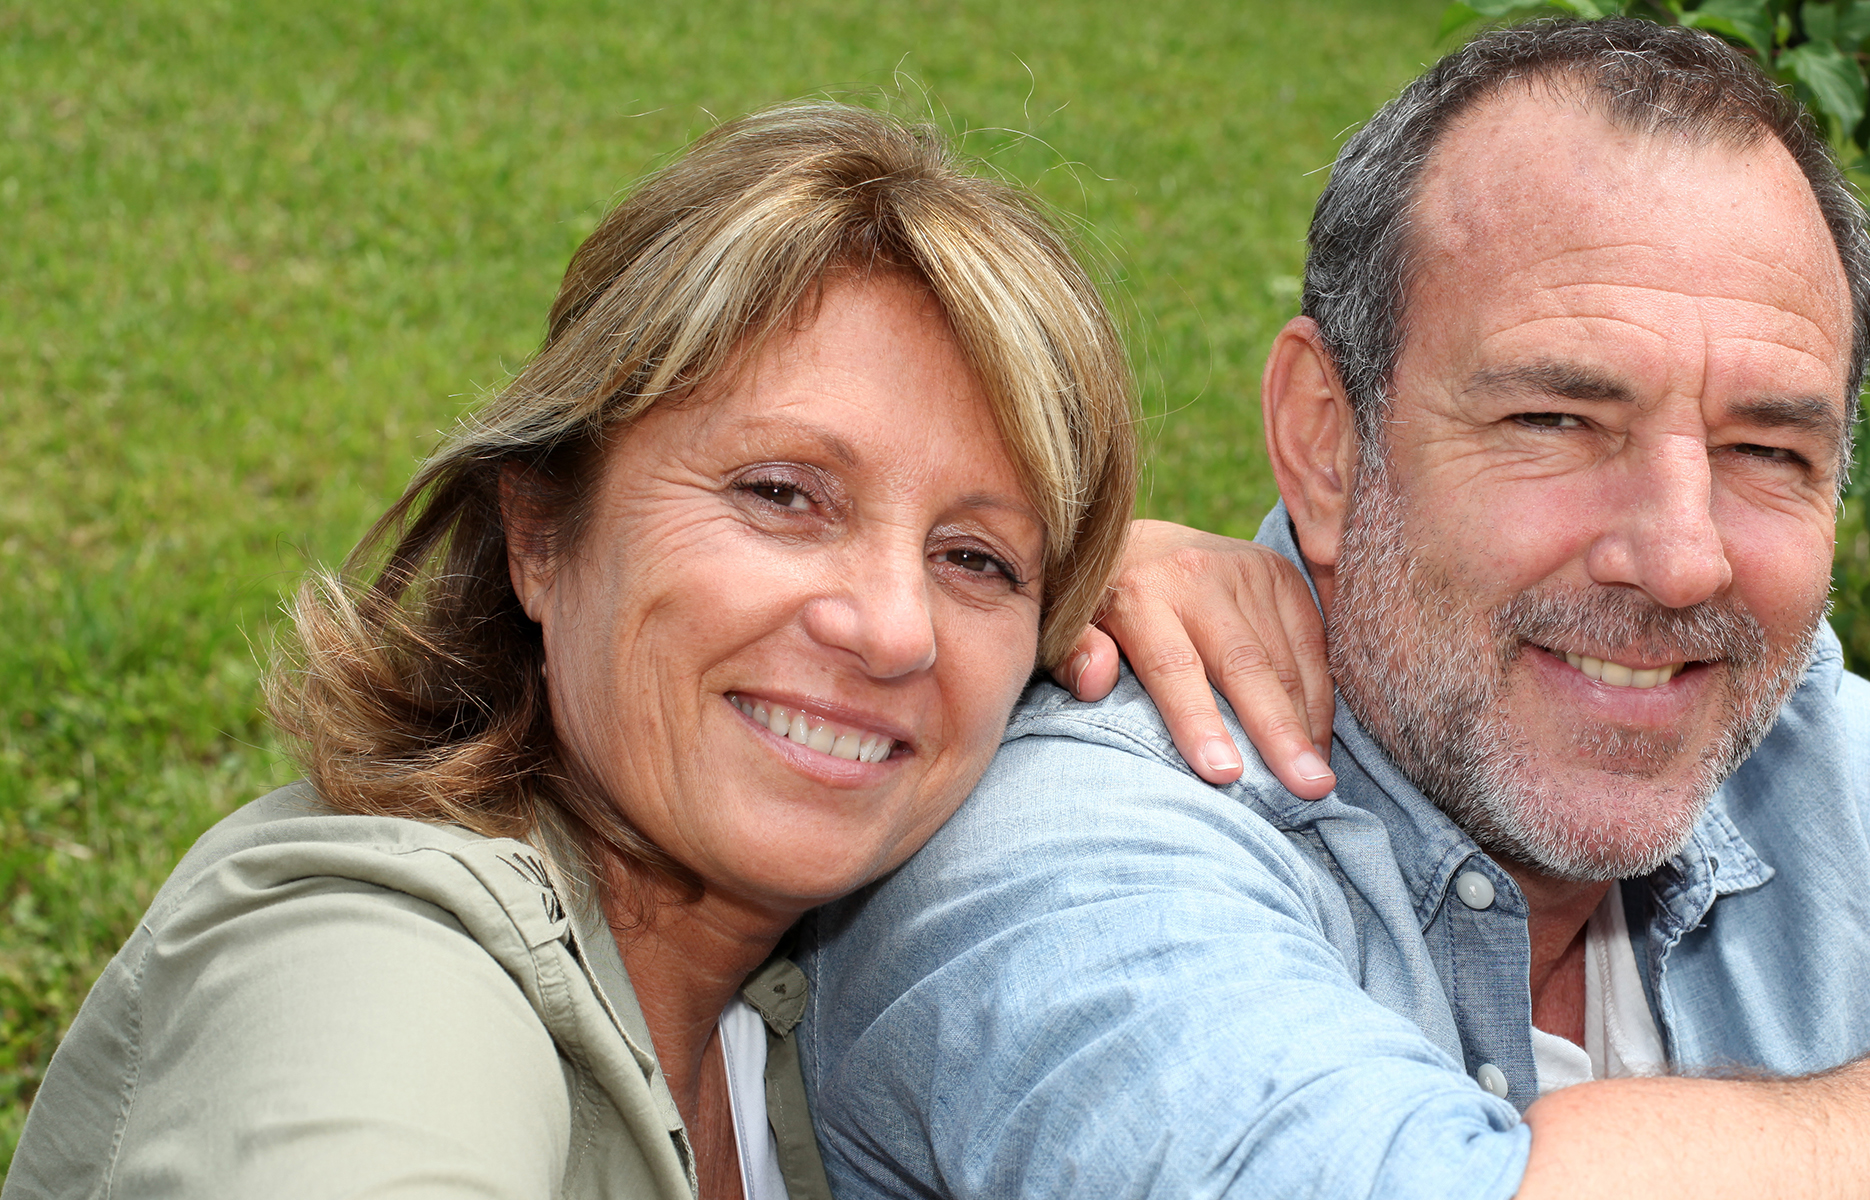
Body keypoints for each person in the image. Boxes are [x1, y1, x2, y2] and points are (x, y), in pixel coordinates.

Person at [800, 19, 1870, 1199]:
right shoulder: (1066, 844)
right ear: (1326, 447)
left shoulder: (1800, 765)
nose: (1685, 559)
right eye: (1558, 423)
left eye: (1773, 449)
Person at [3, 101, 1334, 1200]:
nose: (889, 626)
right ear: (540, 531)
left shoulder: (798, 998)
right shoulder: (370, 955)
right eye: (780, 493)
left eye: (975, 559)